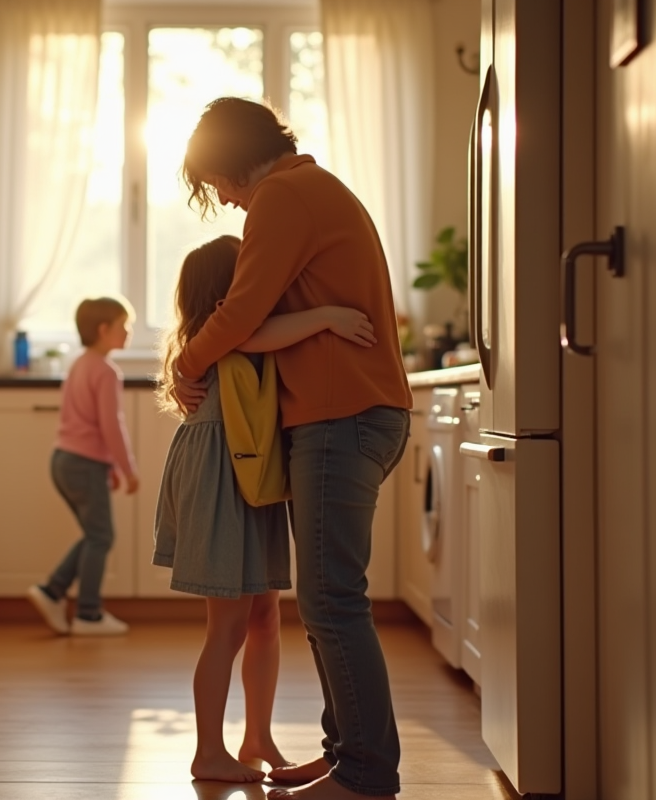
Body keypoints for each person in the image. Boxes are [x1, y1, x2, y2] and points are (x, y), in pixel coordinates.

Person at [175, 98, 414, 800]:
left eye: (217, 181)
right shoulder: (313, 190)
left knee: (332, 599)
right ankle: (347, 754)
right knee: (326, 597)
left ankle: (367, 776)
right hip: (353, 413)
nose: (223, 198)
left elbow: (243, 312)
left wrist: (187, 364)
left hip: (342, 416)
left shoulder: (283, 195)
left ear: (235, 158)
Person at [153, 234, 378, 785]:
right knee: (227, 626)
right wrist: (327, 314)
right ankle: (208, 751)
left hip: (247, 475)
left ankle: (257, 734)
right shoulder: (222, 336)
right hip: (220, 476)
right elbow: (263, 330)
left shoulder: (227, 339)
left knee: (264, 618)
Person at [26, 297, 139, 636]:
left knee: (95, 535)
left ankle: (53, 591)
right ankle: (88, 613)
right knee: (101, 536)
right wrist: (128, 468)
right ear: (104, 330)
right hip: (83, 463)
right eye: (125, 325)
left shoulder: (79, 364)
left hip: (64, 460)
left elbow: (83, 423)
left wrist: (110, 467)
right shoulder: (105, 371)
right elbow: (110, 425)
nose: (129, 332)